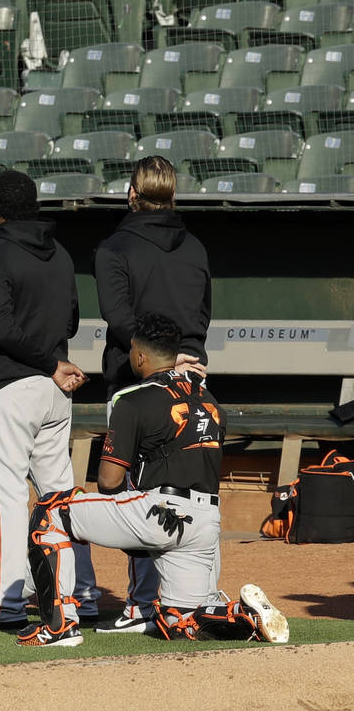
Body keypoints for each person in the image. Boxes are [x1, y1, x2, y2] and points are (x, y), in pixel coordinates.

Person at [20, 313, 288, 647]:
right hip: (205, 521)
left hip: (160, 512)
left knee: (50, 512)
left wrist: (131, 532)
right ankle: (242, 614)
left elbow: (108, 480)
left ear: (141, 356)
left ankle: (58, 629)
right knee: (181, 620)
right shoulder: (207, 399)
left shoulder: (133, 399)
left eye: (132, 349)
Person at [0, 170, 97, 632]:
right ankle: (70, 602)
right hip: (55, 391)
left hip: (9, 388)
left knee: (6, 501)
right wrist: (52, 362)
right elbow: (73, 322)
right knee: (58, 500)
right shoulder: (59, 253)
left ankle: (5, 605)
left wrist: (43, 361)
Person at [94, 156, 213, 634]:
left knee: (136, 493)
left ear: (131, 193)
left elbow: (118, 319)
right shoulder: (196, 247)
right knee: (192, 490)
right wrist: (184, 357)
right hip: (194, 377)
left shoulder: (114, 247)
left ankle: (144, 605)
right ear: (173, 194)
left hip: (137, 379)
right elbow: (202, 314)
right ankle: (189, 600)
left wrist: (161, 361)